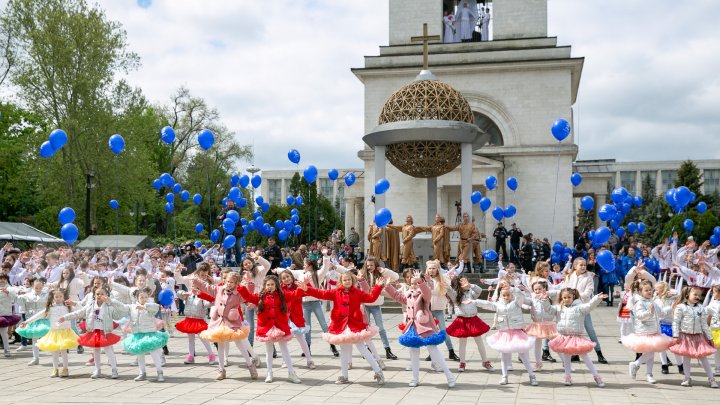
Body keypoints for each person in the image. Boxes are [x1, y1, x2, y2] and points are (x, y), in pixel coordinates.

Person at [298, 272, 387, 385]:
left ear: (352, 280)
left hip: (354, 325)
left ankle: (378, 371)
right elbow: (321, 293)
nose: (347, 282)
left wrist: (378, 287)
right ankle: (344, 375)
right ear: (341, 281)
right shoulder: (335, 292)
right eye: (344, 280)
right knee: (344, 349)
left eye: (349, 279)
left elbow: (371, 298)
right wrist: (308, 288)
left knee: (362, 348)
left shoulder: (358, 293)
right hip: (341, 325)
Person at [385, 270, 456, 388]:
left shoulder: (424, 295)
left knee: (434, 351)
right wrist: (387, 285)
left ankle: (449, 375)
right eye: (412, 283)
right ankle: (415, 378)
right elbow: (396, 296)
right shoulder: (407, 295)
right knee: (413, 353)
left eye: (416, 283)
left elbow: (427, 292)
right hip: (412, 327)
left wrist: (421, 282)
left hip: (425, 326)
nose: (414, 285)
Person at [238, 274, 304, 384]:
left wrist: (302, 288)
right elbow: (248, 297)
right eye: (268, 285)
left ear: (276, 285)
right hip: (266, 328)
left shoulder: (283, 295)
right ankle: (269, 373)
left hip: (280, 327)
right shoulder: (260, 296)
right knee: (269, 351)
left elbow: (294, 294)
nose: (270, 286)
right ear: (264, 286)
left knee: (285, 350)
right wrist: (241, 287)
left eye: (272, 284)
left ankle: (291, 373)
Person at [192, 271, 257, 381]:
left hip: (232, 323)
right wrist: (195, 279)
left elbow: (248, 295)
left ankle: (250, 366)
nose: (229, 284)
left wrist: (248, 282)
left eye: (231, 282)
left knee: (240, 344)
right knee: (220, 345)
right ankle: (221, 370)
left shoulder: (239, 293)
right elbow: (206, 286)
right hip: (219, 322)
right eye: (227, 281)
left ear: (236, 283)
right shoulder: (218, 290)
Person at [468, 285, 538, 386]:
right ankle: (504, 376)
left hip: (517, 333)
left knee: (523, 355)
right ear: (501, 295)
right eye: (504, 295)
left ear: (511, 294)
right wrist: (474, 301)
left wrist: (513, 288)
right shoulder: (498, 305)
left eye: (508, 295)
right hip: (504, 333)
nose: (506, 297)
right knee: (504, 356)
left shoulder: (517, 302)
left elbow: (520, 295)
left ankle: (532, 376)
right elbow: (487, 304)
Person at [548, 288, 608, 387]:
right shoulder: (559, 308)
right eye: (564, 297)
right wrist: (544, 299)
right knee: (567, 358)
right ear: (561, 298)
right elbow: (548, 309)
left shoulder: (579, 307)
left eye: (569, 297)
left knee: (584, 356)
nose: (566, 299)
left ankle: (596, 376)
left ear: (573, 297)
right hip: (564, 337)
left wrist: (597, 298)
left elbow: (589, 306)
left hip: (576, 337)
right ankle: (567, 377)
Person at [61, 285, 124, 379]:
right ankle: (97, 369)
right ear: (94, 295)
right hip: (94, 331)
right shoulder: (90, 305)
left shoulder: (109, 306)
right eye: (97, 294)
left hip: (105, 331)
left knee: (108, 351)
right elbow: (79, 313)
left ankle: (114, 369)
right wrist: (65, 317)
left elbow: (119, 314)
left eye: (102, 294)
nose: (99, 295)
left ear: (107, 295)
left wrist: (112, 302)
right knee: (96, 351)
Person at [20, 288, 78, 378]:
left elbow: (80, 310)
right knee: (54, 352)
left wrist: (74, 303)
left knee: (63, 352)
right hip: (54, 332)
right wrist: (27, 322)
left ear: (63, 297)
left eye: (60, 296)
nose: (58, 298)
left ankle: (65, 369)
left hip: (65, 332)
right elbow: (38, 315)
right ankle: (55, 369)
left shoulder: (68, 307)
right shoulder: (51, 308)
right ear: (53, 297)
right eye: (56, 296)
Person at [623, 280, 672, 384]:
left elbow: (661, 313)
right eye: (646, 290)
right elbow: (640, 316)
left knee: (651, 353)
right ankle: (636, 364)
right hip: (644, 331)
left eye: (650, 290)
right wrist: (649, 312)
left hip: (654, 331)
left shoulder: (653, 302)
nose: (649, 292)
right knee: (651, 352)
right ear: (640, 292)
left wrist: (671, 307)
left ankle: (649, 374)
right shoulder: (639, 303)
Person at [668, 286, 718, 387]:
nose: (697, 297)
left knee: (703, 358)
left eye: (699, 295)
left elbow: (704, 324)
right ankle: (687, 378)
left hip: (698, 337)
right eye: (695, 294)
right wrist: (675, 335)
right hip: (685, 337)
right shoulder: (681, 307)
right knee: (686, 358)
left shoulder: (700, 308)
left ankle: (712, 379)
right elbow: (676, 322)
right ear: (687, 295)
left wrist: (709, 338)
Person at [116, 288, 169, 382]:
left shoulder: (150, 306)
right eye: (141, 297)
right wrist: (111, 301)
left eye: (146, 297)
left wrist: (144, 306)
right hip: (137, 334)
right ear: (137, 298)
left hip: (150, 334)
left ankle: (159, 372)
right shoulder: (131, 307)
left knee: (154, 353)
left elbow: (156, 307)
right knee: (140, 354)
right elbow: (121, 307)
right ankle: (142, 373)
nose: (144, 299)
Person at [565, 257, 608, 364]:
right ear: (575, 266)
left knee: (590, 330)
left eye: (585, 265)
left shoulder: (589, 277)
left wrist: (573, 296)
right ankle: (574, 354)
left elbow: (587, 293)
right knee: (573, 331)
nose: (583, 267)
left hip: (583, 307)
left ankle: (599, 353)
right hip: (570, 308)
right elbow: (565, 289)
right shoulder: (570, 275)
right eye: (581, 265)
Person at [446, 275, 492, 373]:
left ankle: (485, 361)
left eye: (466, 281)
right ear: (458, 284)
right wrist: (445, 281)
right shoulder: (455, 295)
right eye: (463, 282)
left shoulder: (471, 292)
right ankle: (462, 362)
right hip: (462, 320)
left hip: (473, 319)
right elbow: (449, 290)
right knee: (463, 343)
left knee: (479, 341)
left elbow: (479, 290)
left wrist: (470, 285)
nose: (466, 283)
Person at [360, 257, 400, 360]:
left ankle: (387, 350)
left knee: (381, 328)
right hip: (365, 305)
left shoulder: (381, 275)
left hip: (376, 305)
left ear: (376, 265)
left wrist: (385, 271)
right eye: (368, 265)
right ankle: (367, 348)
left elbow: (396, 276)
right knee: (366, 328)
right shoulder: (363, 275)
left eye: (371, 265)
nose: (369, 267)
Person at [524, 280, 559, 370]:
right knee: (537, 346)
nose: (537, 291)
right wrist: (517, 291)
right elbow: (524, 301)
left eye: (540, 289)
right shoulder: (532, 299)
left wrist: (546, 294)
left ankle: (566, 363)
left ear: (544, 289)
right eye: (535, 289)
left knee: (557, 344)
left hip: (548, 324)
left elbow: (558, 292)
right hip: (537, 325)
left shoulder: (548, 297)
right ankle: (538, 364)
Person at [216, 200, 243, 266]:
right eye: (229, 205)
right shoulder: (225, 210)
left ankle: (238, 262)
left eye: (231, 205)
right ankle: (228, 262)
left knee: (238, 248)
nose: (230, 207)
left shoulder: (238, 209)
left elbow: (238, 216)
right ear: (227, 205)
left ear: (234, 204)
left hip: (237, 232)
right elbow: (218, 217)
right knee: (228, 249)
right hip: (228, 232)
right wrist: (221, 217)